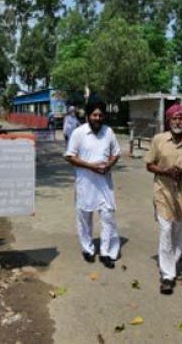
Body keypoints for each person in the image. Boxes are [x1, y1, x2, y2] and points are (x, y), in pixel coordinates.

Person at [145, 104, 182, 295]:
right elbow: (149, 164)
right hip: (163, 191)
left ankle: (174, 257)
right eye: (174, 118)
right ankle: (167, 275)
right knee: (166, 228)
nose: (178, 121)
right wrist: (165, 171)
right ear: (169, 121)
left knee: (179, 228)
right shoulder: (158, 140)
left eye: (181, 118)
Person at [64, 102, 122, 269]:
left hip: (105, 184)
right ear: (88, 116)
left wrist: (109, 165)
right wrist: (91, 166)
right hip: (85, 184)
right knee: (85, 218)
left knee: (108, 217)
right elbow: (69, 156)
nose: (98, 118)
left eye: (101, 115)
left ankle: (106, 252)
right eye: (95, 115)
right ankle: (88, 249)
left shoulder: (108, 132)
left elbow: (116, 153)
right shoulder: (79, 133)